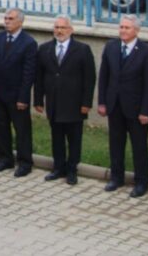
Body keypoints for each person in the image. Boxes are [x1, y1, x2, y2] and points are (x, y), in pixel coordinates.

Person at [98, 15, 148, 197]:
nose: (123, 30)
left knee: (139, 146)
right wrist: (102, 102)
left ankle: (141, 182)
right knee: (116, 143)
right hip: (115, 105)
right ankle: (116, 177)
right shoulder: (111, 47)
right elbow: (104, 77)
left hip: (136, 108)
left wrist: (145, 110)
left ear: (136, 30)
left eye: (127, 28)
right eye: (121, 27)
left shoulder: (147, 52)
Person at [34, 15, 96, 186]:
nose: (59, 31)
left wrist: (86, 103)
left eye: (63, 28)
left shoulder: (82, 49)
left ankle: (72, 169)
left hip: (74, 104)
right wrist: (38, 99)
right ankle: (58, 167)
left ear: (71, 30)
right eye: (57, 28)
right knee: (57, 137)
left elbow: (89, 79)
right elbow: (39, 76)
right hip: (54, 103)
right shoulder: (45, 48)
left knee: (74, 138)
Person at [0, 8, 37, 177]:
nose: (7, 21)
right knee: (1, 127)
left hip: (16, 96)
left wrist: (23, 97)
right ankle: (5, 158)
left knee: (21, 131)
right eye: (6, 18)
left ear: (20, 22)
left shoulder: (28, 43)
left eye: (11, 18)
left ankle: (24, 162)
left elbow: (28, 74)